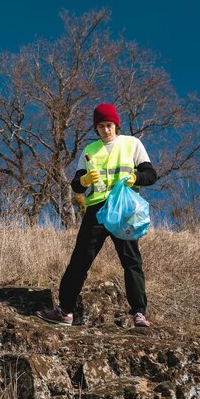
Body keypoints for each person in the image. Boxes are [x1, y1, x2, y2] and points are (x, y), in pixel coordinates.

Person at [36, 103, 157, 327]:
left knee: (131, 262)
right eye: (100, 126)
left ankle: (139, 313)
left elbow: (151, 174)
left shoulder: (132, 144)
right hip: (97, 210)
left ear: (116, 125)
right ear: (96, 128)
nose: (105, 130)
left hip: (123, 209)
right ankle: (65, 311)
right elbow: (76, 185)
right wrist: (83, 181)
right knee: (80, 261)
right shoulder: (89, 150)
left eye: (109, 125)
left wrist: (135, 178)